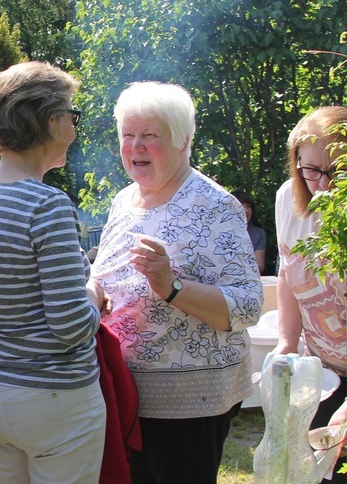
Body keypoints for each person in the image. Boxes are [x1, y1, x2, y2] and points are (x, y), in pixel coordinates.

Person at [90, 81, 263, 484]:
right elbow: (106, 274)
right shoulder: (123, 201)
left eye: (150, 136)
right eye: (128, 136)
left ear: (184, 140)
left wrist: (172, 286)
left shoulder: (216, 206)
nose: (136, 147)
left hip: (191, 403)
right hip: (124, 391)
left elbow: (249, 305)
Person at [0, 61, 107, 483]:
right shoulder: (48, 205)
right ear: (51, 121)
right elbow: (71, 325)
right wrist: (94, 293)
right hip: (53, 397)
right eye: (71, 116)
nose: (75, 130)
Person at [272, 106, 347, 482]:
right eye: (311, 169)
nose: (321, 184)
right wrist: (287, 341)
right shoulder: (288, 198)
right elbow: (288, 272)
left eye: (335, 171)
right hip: (321, 370)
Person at [232, 190, 267, 274]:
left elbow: (260, 266)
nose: (246, 210)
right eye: (241, 206)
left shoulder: (258, 233)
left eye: (248, 206)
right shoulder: (220, 231)